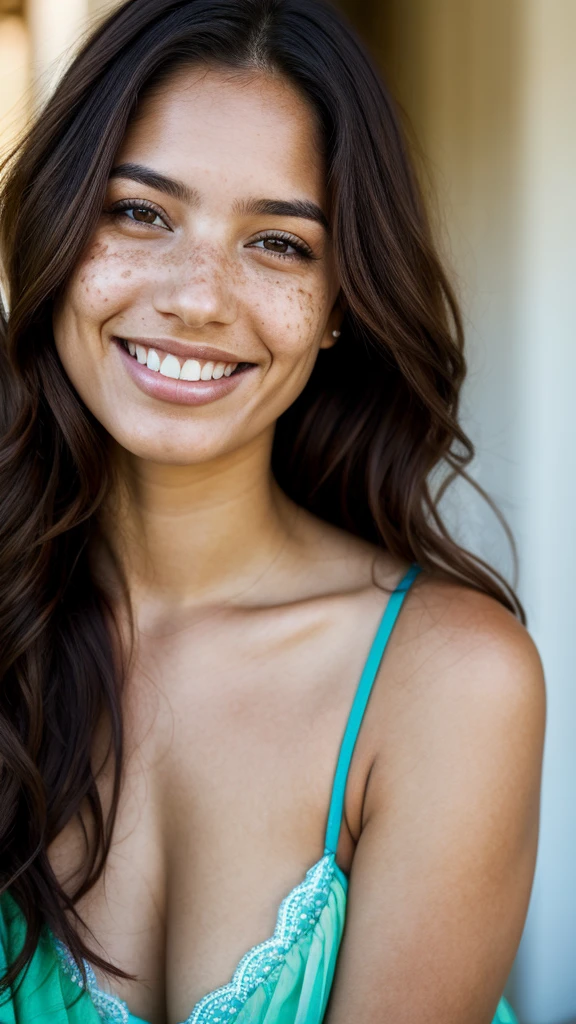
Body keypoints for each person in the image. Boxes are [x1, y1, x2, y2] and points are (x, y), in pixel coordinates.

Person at [0, 1, 546, 1022]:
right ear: (58, 232)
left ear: (341, 300)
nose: (199, 297)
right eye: (141, 212)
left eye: (280, 244)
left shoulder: (449, 682)